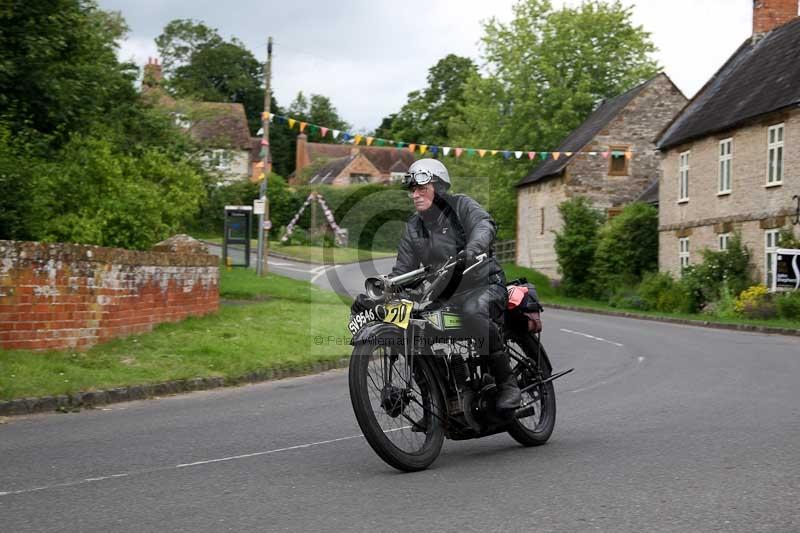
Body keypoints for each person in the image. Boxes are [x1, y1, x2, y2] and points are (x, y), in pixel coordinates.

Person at [352, 158, 521, 410]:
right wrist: (383, 294)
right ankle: (440, 402)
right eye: (412, 190)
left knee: (472, 312)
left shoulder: (461, 205)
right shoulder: (414, 227)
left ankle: (508, 384)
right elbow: (404, 272)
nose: (415, 195)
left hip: (483, 283)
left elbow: (484, 225)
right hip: (446, 296)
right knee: (416, 330)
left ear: (439, 188)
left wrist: (474, 248)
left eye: (421, 188)